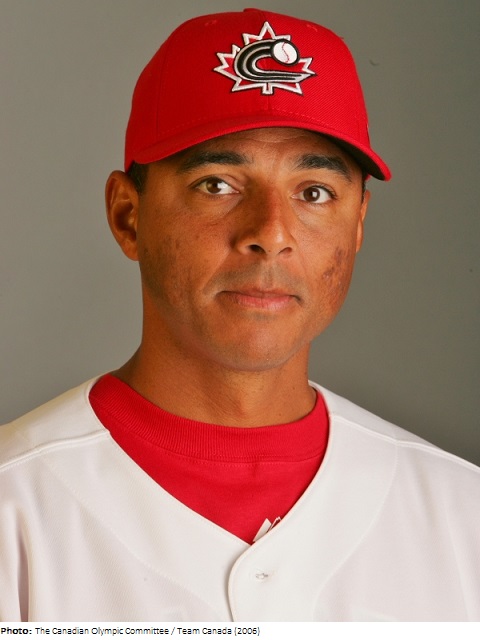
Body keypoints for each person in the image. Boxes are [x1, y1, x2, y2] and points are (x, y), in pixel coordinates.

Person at [0, 8, 479, 623]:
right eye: (217, 184)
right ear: (128, 216)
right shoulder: (15, 505)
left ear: (358, 223)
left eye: (314, 193)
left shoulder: (461, 516)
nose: (271, 234)